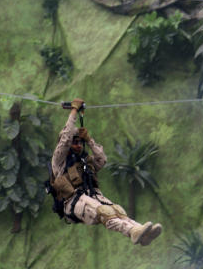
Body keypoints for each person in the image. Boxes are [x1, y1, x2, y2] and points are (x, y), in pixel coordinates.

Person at [50, 98, 162, 245]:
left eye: (79, 142)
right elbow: (65, 139)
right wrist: (73, 112)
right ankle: (132, 231)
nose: (77, 145)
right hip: (74, 203)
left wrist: (89, 140)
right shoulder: (59, 161)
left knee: (117, 211)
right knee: (105, 213)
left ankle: (140, 232)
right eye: (74, 142)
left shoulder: (84, 160)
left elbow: (101, 159)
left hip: (94, 196)